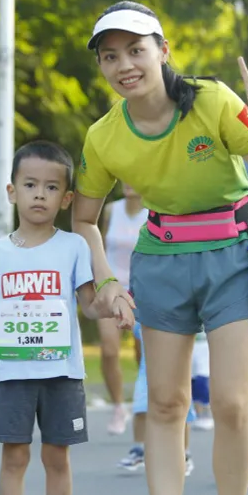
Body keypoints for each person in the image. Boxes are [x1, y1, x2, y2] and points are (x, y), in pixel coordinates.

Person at [73, 0, 248, 495]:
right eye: (110, 56)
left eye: (136, 50)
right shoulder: (103, 138)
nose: (124, 65)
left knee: (229, 402)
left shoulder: (214, 100)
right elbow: (84, 219)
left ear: (163, 50)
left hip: (232, 259)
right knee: (167, 405)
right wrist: (104, 279)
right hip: (161, 265)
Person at [0, 141, 134, 495]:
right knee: (14, 457)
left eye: (51, 187)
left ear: (67, 199)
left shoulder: (74, 247)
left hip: (62, 374)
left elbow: (87, 304)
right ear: (12, 191)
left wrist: (111, 306)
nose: (40, 194)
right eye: (30, 184)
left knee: (57, 458)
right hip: (13, 375)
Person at [117, 320, 197, 477]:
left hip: (176, 371)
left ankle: (184, 452)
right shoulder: (140, 319)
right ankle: (139, 449)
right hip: (147, 372)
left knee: (182, 410)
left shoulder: (181, 316)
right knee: (140, 408)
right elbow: (137, 347)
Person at [100, 184, 147, 435]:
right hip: (110, 287)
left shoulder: (153, 213)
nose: (129, 182)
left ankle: (143, 407)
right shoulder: (110, 210)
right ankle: (118, 406)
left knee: (143, 357)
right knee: (109, 351)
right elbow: (100, 247)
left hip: (142, 291)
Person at [190, 331, 214, 430]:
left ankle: (206, 412)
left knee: (203, 378)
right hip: (190, 340)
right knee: (192, 378)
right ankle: (198, 413)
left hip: (205, 342)